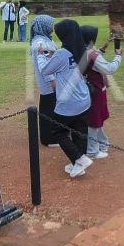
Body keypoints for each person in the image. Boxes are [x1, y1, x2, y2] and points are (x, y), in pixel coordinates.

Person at [41, 19, 94, 177]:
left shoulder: (62, 54)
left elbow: (46, 70)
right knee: (80, 131)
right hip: (83, 99)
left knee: (58, 132)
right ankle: (78, 164)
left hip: (68, 102)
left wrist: (47, 56)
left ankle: (79, 158)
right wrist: (54, 55)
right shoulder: (82, 50)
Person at [80, 25, 122, 158]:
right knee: (94, 119)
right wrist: (118, 56)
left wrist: (103, 48)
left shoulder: (82, 50)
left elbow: (91, 59)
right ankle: (93, 150)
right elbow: (109, 68)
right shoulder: (92, 54)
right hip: (96, 90)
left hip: (88, 89)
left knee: (96, 118)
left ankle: (103, 143)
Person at [29, 14, 59, 146]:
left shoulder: (44, 39)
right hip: (49, 82)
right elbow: (44, 66)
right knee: (48, 109)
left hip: (51, 81)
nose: (52, 27)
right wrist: (52, 80)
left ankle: (51, 135)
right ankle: (49, 138)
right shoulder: (39, 43)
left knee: (49, 107)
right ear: (43, 26)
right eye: (50, 24)